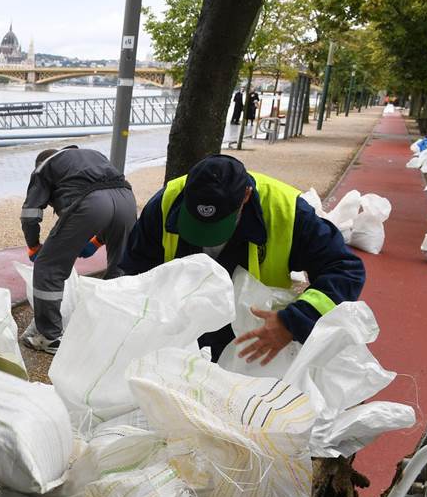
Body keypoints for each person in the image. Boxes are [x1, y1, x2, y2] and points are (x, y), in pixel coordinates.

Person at [118, 154, 366, 363]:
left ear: (246, 196)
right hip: (180, 331)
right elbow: (131, 271)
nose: (208, 239)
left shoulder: (287, 212)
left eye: (217, 227)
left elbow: (345, 269)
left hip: (252, 337)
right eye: (197, 224)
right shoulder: (165, 203)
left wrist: (293, 322)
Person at [19, 146, 137, 353]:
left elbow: (30, 214)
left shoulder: (43, 168)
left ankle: (49, 337)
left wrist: (34, 246)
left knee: (48, 268)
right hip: (126, 199)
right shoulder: (93, 154)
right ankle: (115, 326)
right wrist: (97, 242)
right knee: (121, 266)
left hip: (91, 204)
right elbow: (108, 197)